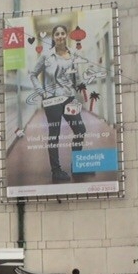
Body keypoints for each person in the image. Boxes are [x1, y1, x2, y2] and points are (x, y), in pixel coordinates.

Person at [27, 25, 102, 183]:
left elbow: (76, 77)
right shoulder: (46, 56)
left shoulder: (73, 54)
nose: (60, 36)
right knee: (54, 135)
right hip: (53, 100)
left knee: (80, 129)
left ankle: (77, 165)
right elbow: (33, 74)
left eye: (62, 33)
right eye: (57, 34)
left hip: (69, 99)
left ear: (66, 36)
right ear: (54, 37)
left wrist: (85, 86)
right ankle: (56, 171)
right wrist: (43, 93)